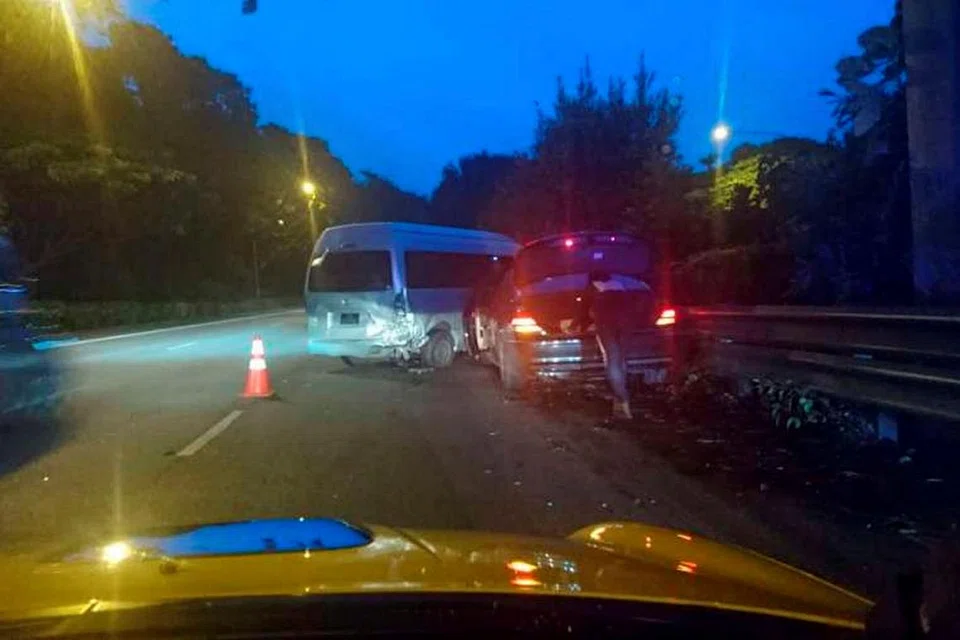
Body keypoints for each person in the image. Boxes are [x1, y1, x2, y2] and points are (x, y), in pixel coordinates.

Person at [582, 270, 651, 421]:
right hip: (626, 323)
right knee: (621, 360)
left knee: (612, 362)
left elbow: (586, 312)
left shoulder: (594, 290)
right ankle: (619, 401)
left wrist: (579, 324)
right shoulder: (622, 289)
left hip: (606, 324)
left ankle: (624, 401)